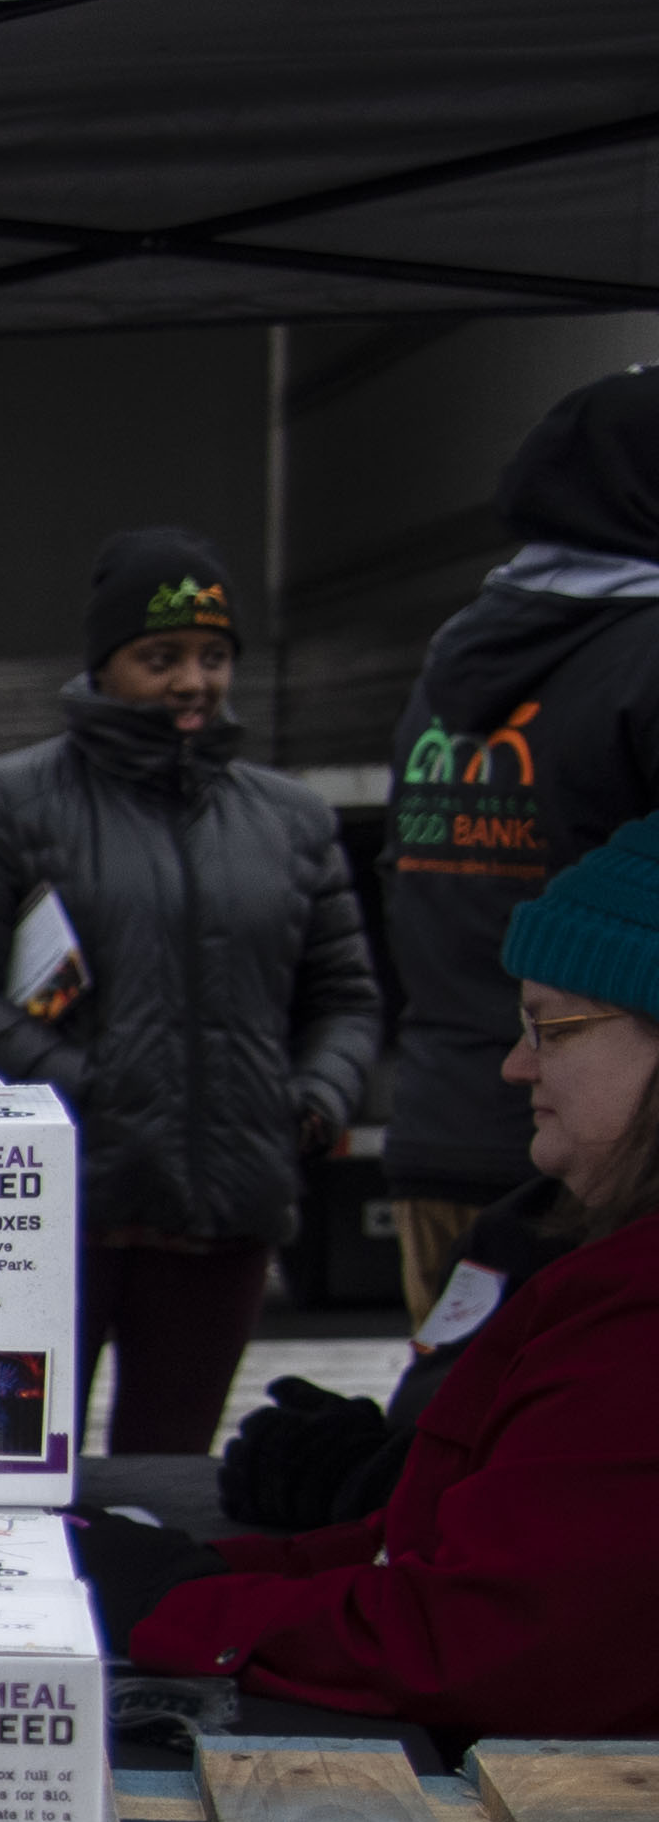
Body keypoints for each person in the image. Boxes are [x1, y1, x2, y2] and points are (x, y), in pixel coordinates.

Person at [115, 821, 659, 1737]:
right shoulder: (593, 1261)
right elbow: (444, 1552)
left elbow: (486, 1640)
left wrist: (183, 1604)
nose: (517, 1062)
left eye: (551, 1026)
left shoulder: (639, 1310)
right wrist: (208, 1572)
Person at [0, 528, 378, 1459]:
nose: (193, 681)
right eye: (162, 659)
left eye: (213, 656)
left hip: (221, 1219)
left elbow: (345, 996)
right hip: (52, 1220)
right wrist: (89, 1086)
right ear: (105, 666)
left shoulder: (293, 821)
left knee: (172, 1488)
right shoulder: (1, 805)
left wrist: (313, 1102)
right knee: (16, 1470)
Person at [381, 367, 659, 1304]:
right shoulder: (646, 657)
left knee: (449, 1430)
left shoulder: (460, 652)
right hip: (601, 1160)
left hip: (442, 1126)